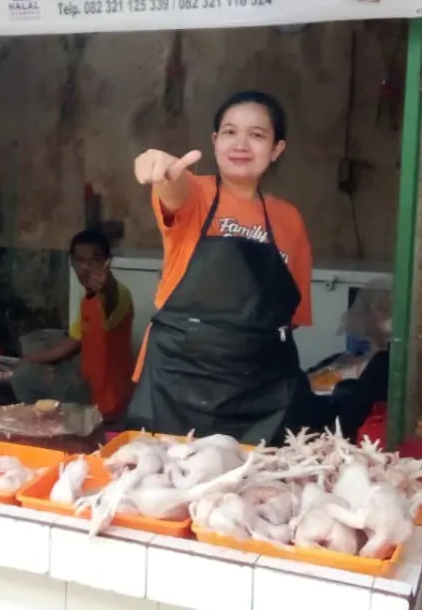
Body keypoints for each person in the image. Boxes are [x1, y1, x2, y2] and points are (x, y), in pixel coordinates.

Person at [125, 90, 317, 444]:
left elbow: (290, 317)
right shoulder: (195, 193)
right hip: (177, 384)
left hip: (260, 394)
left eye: (257, 135)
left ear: (276, 150)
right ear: (214, 142)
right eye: (229, 132)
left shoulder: (290, 220)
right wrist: (162, 169)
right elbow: (172, 186)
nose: (241, 143)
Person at [11, 229, 136, 421]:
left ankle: (42, 426)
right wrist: (30, 358)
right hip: (87, 380)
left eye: (94, 259)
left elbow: (110, 296)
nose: (86, 267)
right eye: (80, 260)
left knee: (24, 376)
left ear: (107, 261)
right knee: (36, 347)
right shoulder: (88, 298)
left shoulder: (118, 294)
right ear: (72, 262)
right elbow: (74, 340)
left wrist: (107, 283)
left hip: (103, 399)